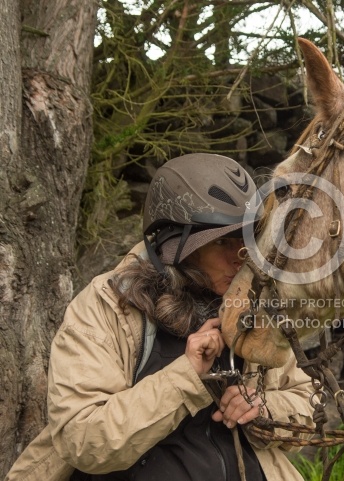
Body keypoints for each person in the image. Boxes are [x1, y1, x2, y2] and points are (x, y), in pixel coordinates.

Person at [5, 153, 314, 481]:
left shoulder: (256, 304)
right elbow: (83, 440)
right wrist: (186, 377)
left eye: (246, 241)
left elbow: (306, 405)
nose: (239, 257)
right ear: (178, 246)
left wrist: (263, 408)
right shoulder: (109, 305)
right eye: (222, 241)